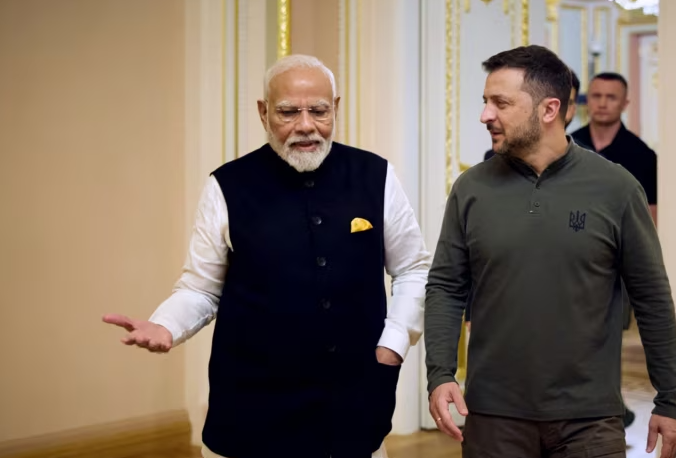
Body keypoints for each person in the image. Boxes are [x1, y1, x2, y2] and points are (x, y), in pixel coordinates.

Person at [103, 55, 431, 458]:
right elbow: (200, 289)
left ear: (336, 108)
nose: (306, 125)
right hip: (251, 411)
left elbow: (413, 268)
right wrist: (166, 325)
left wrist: (394, 343)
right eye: (288, 112)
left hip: (354, 406)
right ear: (263, 112)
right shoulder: (226, 185)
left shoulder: (376, 175)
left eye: (319, 111)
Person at [424, 45, 676, 458]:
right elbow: (446, 286)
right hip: (492, 416)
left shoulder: (616, 187)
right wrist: (440, 373)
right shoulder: (471, 189)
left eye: (501, 103)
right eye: (485, 101)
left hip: (591, 420)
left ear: (549, 109)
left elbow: (652, 297)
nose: (485, 115)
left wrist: (670, 398)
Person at [571, 72, 657, 224]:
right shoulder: (569, 145)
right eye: (596, 96)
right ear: (587, 100)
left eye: (611, 97)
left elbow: (650, 216)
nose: (602, 104)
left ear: (625, 104)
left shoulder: (643, 156)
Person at [483, 67, 581, 162]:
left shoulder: (586, 159)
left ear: (573, 109)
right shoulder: (494, 158)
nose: (555, 109)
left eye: (565, 103)